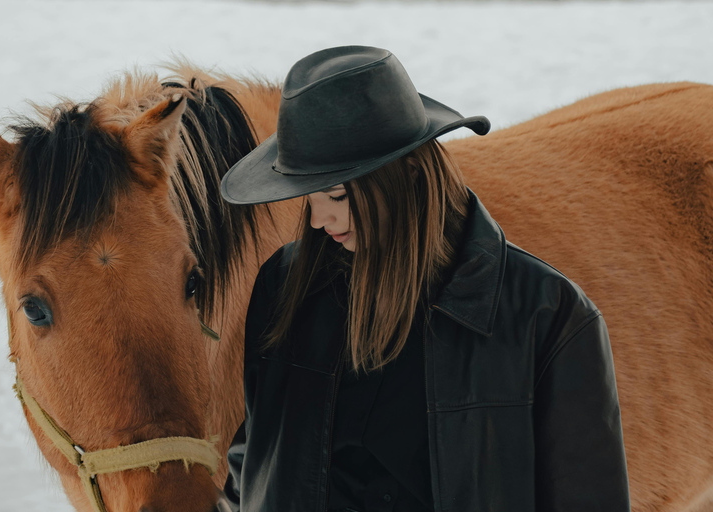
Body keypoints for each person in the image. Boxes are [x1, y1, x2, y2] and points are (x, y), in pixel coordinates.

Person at [218, 45, 630, 512]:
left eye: (335, 194)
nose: (317, 220)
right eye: (308, 196)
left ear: (409, 172)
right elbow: (254, 463)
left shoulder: (548, 315)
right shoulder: (284, 288)